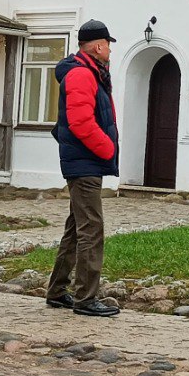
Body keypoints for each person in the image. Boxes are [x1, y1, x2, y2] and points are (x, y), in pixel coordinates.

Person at [46, 20, 121, 318]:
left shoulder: (89, 71)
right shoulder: (81, 74)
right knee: (92, 227)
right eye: (108, 45)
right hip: (85, 160)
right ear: (99, 46)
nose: (110, 51)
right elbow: (80, 122)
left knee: (76, 227)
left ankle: (57, 290)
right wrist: (108, 148)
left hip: (85, 160)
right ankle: (86, 298)